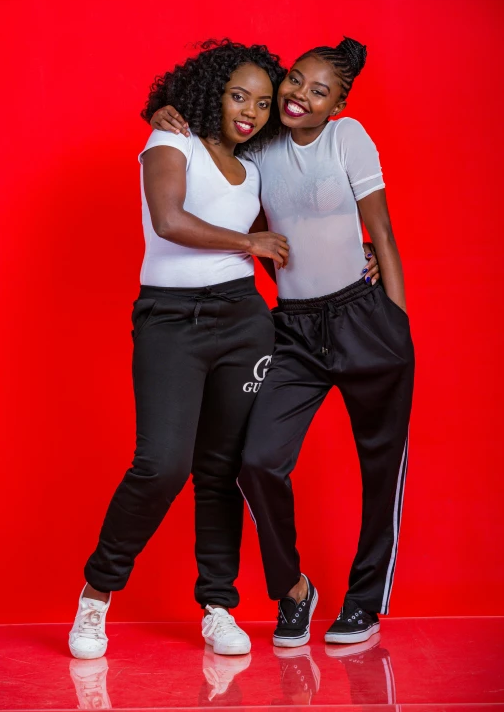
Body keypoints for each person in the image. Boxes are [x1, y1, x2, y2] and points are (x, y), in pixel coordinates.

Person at [151, 37, 414, 649]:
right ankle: (293, 587)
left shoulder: (349, 139)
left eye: (319, 90)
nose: (300, 95)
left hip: (364, 318)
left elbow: (382, 231)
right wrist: (168, 110)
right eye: (295, 80)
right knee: (257, 461)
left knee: (381, 472)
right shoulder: (261, 142)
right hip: (294, 326)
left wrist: (394, 326)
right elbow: (214, 133)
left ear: (336, 103)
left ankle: (364, 604)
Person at [69, 39, 291, 660]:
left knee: (219, 470)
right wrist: (251, 244)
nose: (249, 110)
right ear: (212, 91)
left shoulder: (255, 167)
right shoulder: (171, 141)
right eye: (238, 95)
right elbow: (168, 221)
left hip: (244, 320)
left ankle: (218, 606)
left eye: (264, 102)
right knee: (160, 464)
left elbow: (280, 239)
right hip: (170, 320)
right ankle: (95, 596)